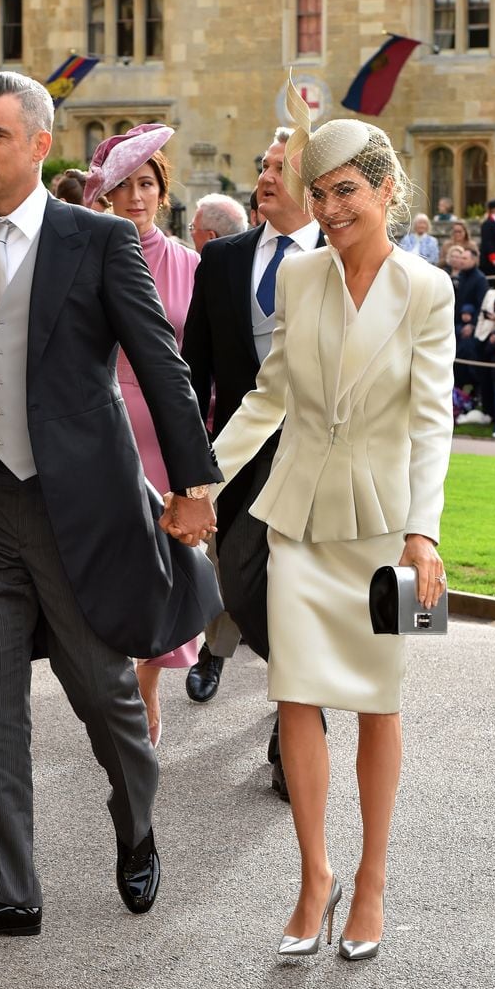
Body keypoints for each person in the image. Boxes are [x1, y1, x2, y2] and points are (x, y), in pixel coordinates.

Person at [0, 71, 221, 943]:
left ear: (40, 144)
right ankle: (11, 890)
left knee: (104, 699)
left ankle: (136, 823)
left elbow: (161, 366)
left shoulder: (98, 239)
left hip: (82, 512)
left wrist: (191, 487)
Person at [198, 103, 454, 961]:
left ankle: (371, 881)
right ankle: (314, 876)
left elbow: (431, 423)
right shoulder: (300, 277)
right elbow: (266, 398)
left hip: (387, 536)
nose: (332, 207)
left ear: (384, 189)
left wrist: (424, 532)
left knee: (379, 704)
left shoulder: (429, 289)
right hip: (296, 520)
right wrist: (205, 480)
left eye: (346, 190)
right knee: (293, 694)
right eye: (320, 192)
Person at [181, 127, 325, 798]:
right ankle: (296, 678)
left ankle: (294, 721)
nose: (264, 179)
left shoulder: (338, 257)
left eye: (278, 170)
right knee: (237, 579)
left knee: (299, 587)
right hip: (238, 451)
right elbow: (195, 368)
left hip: (319, 456)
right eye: (262, 167)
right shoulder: (224, 260)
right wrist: (194, 461)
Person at [85, 123, 202, 747]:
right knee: (109, 565)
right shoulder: (84, 255)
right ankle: (113, 683)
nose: (136, 196)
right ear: (105, 193)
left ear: (163, 191)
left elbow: (199, 364)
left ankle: (147, 686)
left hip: (166, 434)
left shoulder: (189, 265)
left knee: (165, 566)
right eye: (125, 185)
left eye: (148, 184)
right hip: (101, 430)